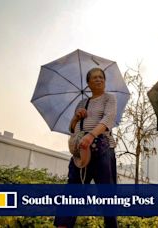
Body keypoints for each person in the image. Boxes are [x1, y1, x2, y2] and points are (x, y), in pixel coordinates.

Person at [54, 67, 118, 228]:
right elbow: (72, 129)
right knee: (72, 190)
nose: (98, 79)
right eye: (94, 77)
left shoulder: (109, 99)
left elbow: (108, 119)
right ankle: (63, 225)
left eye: (101, 77)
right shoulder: (82, 103)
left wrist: (91, 135)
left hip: (102, 149)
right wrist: (76, 118)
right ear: (88, 83)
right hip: (81, 152)